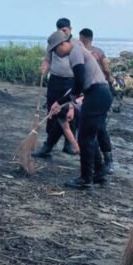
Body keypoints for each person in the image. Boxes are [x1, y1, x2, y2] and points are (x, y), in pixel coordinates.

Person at [46, 30, 112, 189]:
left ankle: (86, 178)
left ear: (63, 44)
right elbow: (78, 83)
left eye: (56, 49)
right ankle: (99, 172)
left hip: (97, 93)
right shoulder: (77, 51)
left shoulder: (75, 51)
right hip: (100, 93)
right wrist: (60, 102)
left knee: (85, 137)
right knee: (90, 135)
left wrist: (69, 99)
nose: (56, 53)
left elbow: (80, 81)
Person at [33, 18, 77, 157]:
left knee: (70, 112)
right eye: (59, 31)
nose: (62, 34)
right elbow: (47, 59)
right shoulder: (53, 42)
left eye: (64, 30)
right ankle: (48, 144)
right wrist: (44, 67)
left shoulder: (76, 44)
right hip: (55, 80)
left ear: (70, 29)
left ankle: (68, 144)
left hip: (71, 81)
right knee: (52, 110)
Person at [79, 28, 115, 174]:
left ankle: (99, 165)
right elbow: (106, 68)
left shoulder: (80, 52)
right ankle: (106, 160)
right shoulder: (99, 52)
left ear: (81, 37)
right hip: (102, 90)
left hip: (91, 92)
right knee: (99, 127)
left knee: (88, 130)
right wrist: (109, 80)